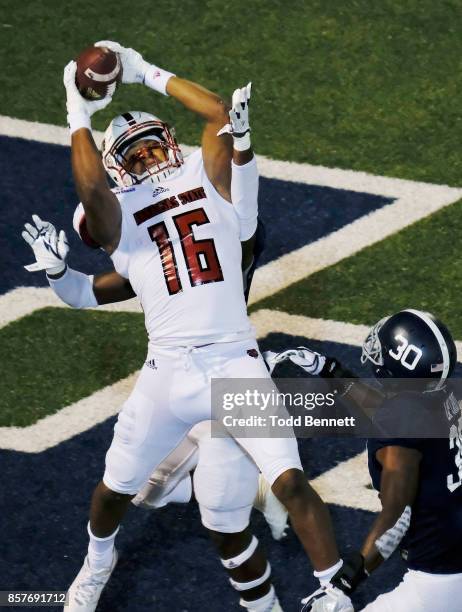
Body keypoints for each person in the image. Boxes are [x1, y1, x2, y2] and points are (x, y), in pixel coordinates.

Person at [49, 39, 349, 610]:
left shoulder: (204, 175)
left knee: (287, 483)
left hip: (235, 360)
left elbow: (216, 114)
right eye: (132, 158)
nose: (146, 161)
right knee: (117, 493)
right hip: (168, 371)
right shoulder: (119, 214)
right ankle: (96, 562)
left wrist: (142, 71)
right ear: (118, 169)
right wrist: (77, 112)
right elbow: (90, 194)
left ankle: (337, 588)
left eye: (150, 148)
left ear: (169, 143)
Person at [270, 309, 462, 611]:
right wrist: (329, 368)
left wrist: (343, 585)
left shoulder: (401, 436)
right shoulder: (444, 395)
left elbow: (398, 519)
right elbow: (386, 413)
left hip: (439, 584)